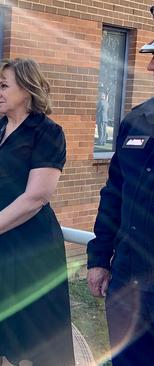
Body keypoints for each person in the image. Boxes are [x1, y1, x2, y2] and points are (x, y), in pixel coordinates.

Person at [0, 58, 74, 366]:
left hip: (27, 249)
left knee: (23, 341)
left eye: (4, 86)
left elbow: (36, 197)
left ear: (28, 88)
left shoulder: (47, 133)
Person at [86, 40, 154, 366]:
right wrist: (99, 259)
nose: (150, 67)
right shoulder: (137, 120)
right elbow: (114, 194)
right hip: (128, 286)